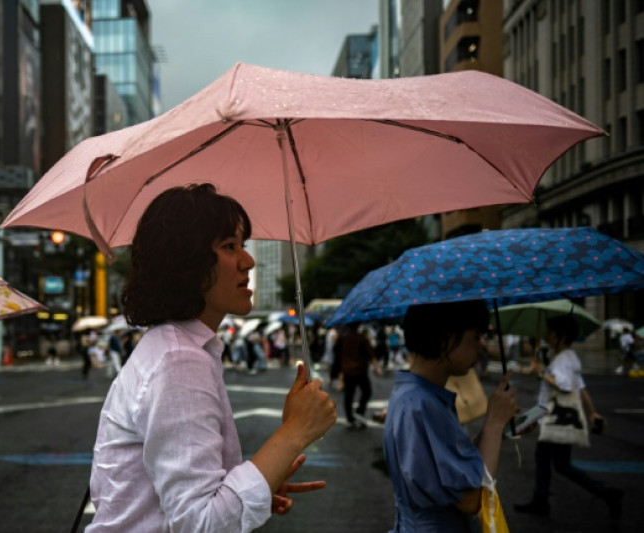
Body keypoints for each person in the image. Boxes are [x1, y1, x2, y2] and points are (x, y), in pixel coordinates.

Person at [87, 184, 337, 532]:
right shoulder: (179, 361)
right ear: (185, 261)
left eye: (243, 245)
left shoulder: (176, 347)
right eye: (229, 246)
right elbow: (201, 523)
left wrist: (262, 481)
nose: (248, 261)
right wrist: (294, 432)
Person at [384, 300, 519, 532]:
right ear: (446, 338)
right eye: (476, 336)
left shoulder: (414, 395)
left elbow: (448, 461)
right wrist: (494, 423)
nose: (481, 346)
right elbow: (471, 498)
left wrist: (497, 429)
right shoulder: (422, 404)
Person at [515, 315, 624, 519]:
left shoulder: (563, 359)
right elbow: (580, 388)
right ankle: (540, 499)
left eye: (551, 333)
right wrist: (592, 412)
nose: (547, 336)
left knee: (561, 465)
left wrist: (542, 373)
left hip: (557, 419)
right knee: (545, 459)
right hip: (555, 417)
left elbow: (564, 385)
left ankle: (606, 492)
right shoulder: (569, 356)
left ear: (561, 337)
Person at [333, 323, 382, 428]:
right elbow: (371, 353)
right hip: (360, 369)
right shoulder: (362, 337)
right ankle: (359, 411)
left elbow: (337, 354)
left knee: (349, 395)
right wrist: (377, 367)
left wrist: (340, 376)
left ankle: (350, 418)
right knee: (366, 391)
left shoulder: (343, 338)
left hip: (347, 370)